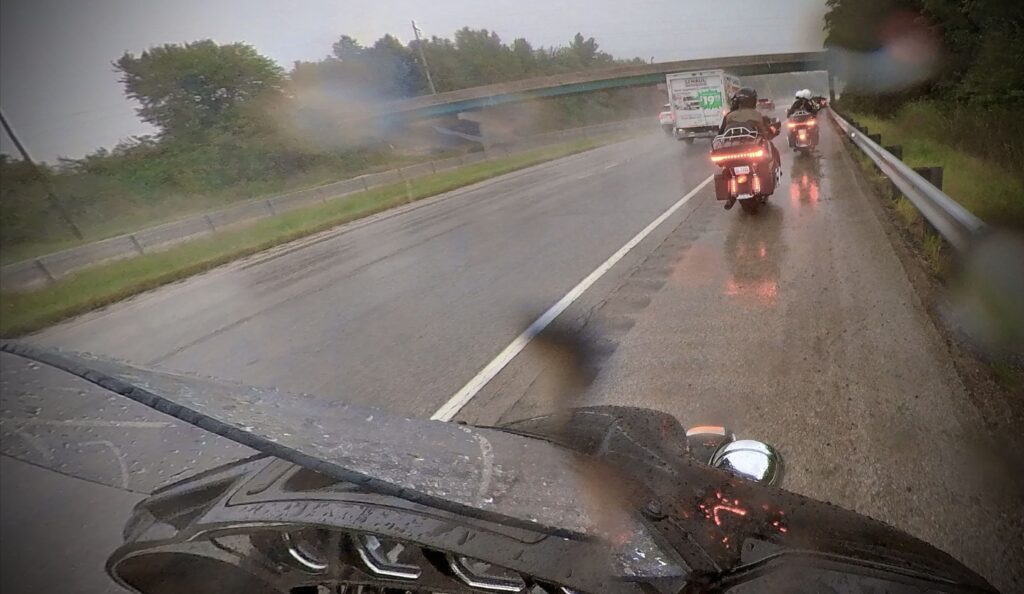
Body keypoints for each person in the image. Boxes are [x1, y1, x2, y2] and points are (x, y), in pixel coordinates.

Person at [717, 87, 781, 209]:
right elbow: (765, 133)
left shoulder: (729, 116)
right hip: (751, 151)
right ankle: (769, 182)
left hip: (731, 152)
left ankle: (731, 195)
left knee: (726, 168)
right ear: (753, 101)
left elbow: (720, 135)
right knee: (768, 154)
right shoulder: (756, 115)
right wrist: (769, 133)